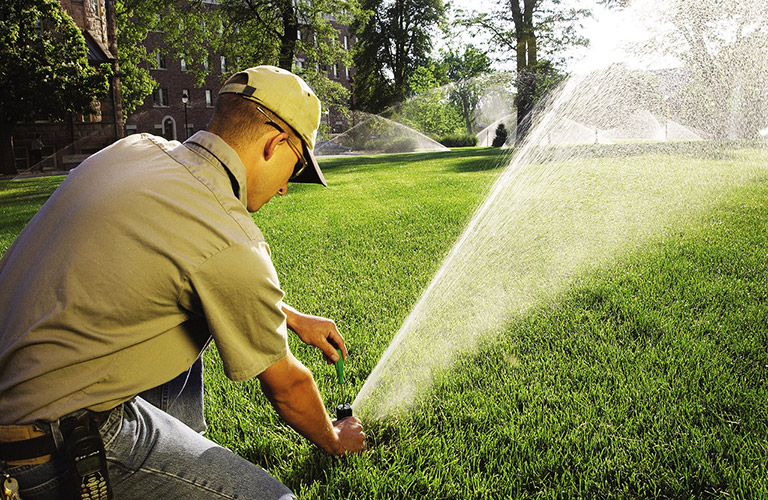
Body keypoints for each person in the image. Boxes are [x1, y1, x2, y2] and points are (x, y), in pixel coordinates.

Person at [0, 66, 365, 500]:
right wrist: (336, 438)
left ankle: (183, 446)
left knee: (192, 314)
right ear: (275, 145)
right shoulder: (227, 234)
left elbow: (154, 271)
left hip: (21, 395)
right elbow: (288, 388)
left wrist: (288, 317)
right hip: (49, 448)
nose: (286, 188)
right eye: (297, 167)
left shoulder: (134, 150)